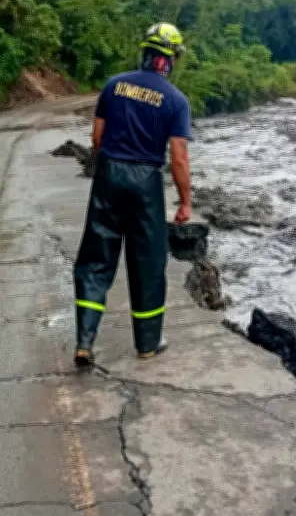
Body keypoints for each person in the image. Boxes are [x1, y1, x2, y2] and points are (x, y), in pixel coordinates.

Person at [72, 22, 192, 367]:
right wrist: (185, 201)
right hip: (146, 183)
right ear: (171, 58)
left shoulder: (114, 85)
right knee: (148, 262)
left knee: (96, 256)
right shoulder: (176, 101)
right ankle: (147, 344)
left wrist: (110, 167)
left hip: (109, 175)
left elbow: (97, 137)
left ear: (146, 52)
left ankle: (84, 341)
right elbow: (179, 158)